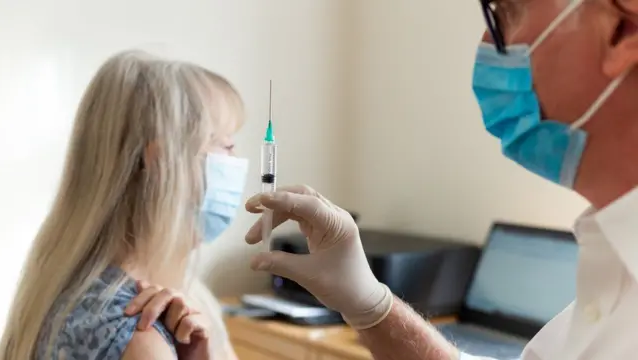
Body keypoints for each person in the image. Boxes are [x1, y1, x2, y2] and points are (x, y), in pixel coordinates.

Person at [243, 0, 638, 359]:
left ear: (623, 32)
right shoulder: (612, 276)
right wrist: (372, 306)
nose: (487, 42)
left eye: (507, 12)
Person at [0, 50, 244, 360]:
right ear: (162, 162)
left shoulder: (63, 292)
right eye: (226, 145)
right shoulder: (140, 332)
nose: (236, 163)